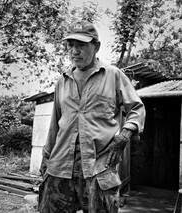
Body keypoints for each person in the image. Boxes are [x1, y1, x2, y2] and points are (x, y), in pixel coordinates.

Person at [38, 21, 145, 213]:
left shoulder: (113, 75)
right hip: (60, 166)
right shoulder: (62, 82)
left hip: (98, 167)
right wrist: (45, 158)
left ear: (96, 46)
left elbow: (137, 108)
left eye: (81, 45)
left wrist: (125, 135)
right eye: (70, 45)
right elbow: (55, 124)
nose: (74, 51)